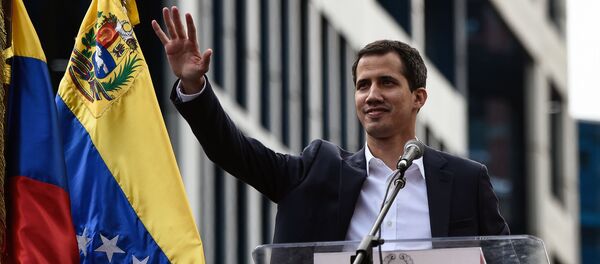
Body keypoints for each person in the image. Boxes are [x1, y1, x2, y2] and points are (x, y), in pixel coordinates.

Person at [151, 6, 509, 244]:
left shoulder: (466, 181)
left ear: (418, 97)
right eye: (362, 85)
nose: (371, 95)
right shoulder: (317, 170)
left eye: (387, 82)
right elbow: (232, 151)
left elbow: (504, 257)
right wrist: (194, 87)